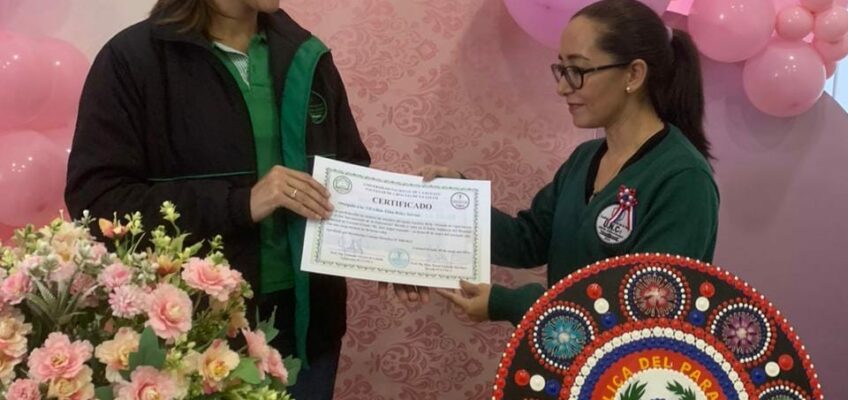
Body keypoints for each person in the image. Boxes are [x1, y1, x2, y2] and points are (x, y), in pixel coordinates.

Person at [64, 0, 370, 398]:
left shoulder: (308, 56)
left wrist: (397, 253)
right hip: (190, 337)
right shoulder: (132, 59)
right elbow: (98, 200)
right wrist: (239, 203)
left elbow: (349, 176)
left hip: (307, 334)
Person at [381, 0, 719, 325]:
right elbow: (528, 240)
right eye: (561, 69)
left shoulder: (684, 179)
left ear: (633, 74)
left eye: (577, 70)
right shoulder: (585, 158)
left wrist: (509, 303)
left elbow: (645, 306)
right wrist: (457, 203)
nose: (561, 88)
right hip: (559, 356)